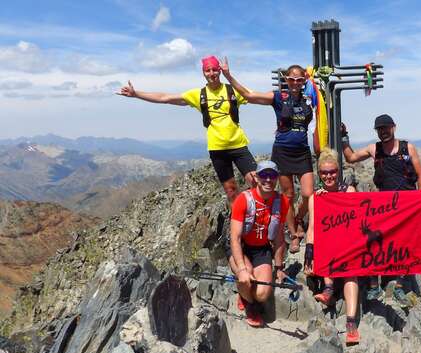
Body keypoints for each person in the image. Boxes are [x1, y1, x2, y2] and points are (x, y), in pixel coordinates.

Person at [117, 55, 257, 202]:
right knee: (231, 192)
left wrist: (281, 97)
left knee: (256, 182)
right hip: (217, 149)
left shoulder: (233, 91)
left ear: (220, 71)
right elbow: (165, 98)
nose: (212, 73)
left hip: (239, 146)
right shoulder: (198, 94)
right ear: (203, 73)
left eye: (215, 69)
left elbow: (254, 96)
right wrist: (136, 94)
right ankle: (238, 223)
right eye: (208, 70)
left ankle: (262, 218)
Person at [221, 59, 314, 253]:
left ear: (304, 80)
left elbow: (323, 114)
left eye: (299, 79)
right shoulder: (279, 97)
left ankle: (298, 219)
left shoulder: (309, 98)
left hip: (302, 151)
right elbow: (249, 94)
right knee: (288, 195)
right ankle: (294, 234)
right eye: (292, 79)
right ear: (286, 80)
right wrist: (228, 76)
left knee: (307, 194)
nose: (296, 83)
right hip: (282, 151)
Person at [341, 114, 421, 303]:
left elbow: (420, 175)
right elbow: (351, 157)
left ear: (394, 127)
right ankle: (373, 286)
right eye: (380, 129)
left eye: (386, 128)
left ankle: (400, 286)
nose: (383, 132)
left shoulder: (407, 147)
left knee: (406, 244)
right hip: (383, 205)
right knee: (373, 241)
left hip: (407, 203)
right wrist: (344, 137)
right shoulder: (374, 149)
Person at [304, 147, 360, 345]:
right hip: (328, 246)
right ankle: (328, 288)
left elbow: (358, 222)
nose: (329, 176)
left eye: (333, 171)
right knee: (322, 241)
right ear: (319, 173)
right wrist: (308, 252)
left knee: (350, 274)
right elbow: (312, 228)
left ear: (339, 171)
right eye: (324, 173)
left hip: (349, 245)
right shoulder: (316, 197)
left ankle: (351, 323)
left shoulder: (349, 191)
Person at [229, 160, 289, 327]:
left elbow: (278, 237)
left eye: (272, 176)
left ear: (277, 178)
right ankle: (250, 305)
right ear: (256, 177)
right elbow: (235, 238)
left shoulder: (281, 202)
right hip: (241, 248)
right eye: (264, 175)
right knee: (245, 278)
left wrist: (279, 268)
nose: (268, 180)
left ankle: (248, 294)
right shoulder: (243, 199)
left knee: (262, 293)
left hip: (261, 250)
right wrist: (241, 269)